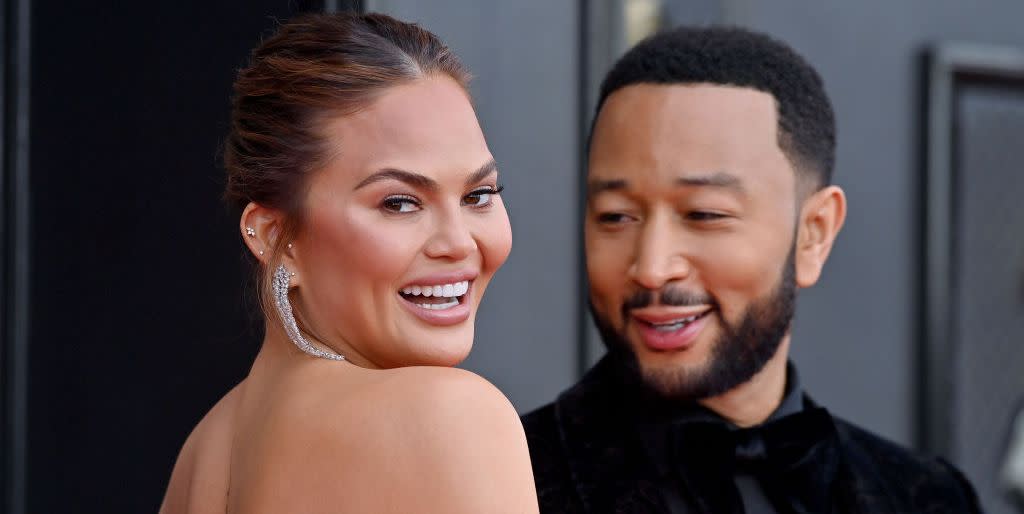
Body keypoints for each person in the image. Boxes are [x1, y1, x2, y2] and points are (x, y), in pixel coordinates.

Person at [522, 26, 981, 513]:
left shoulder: (928, 497)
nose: (653, 269)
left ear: (813, 234)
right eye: (616, 216)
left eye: (704, 214)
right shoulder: (505, 482)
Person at [160, 12, 538, 514]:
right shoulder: (450, 418)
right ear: (276, 236)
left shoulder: (206, 452)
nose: (459, 243)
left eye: (480, 194)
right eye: (399, 202)